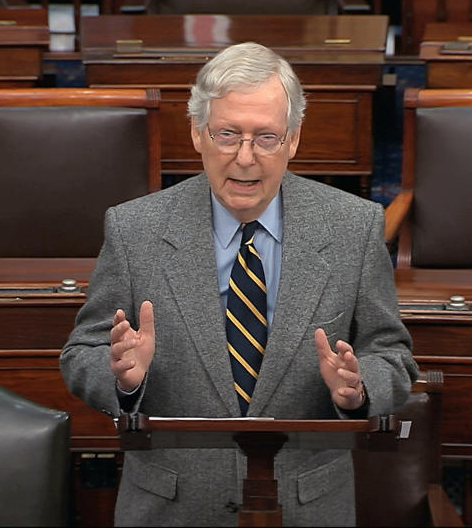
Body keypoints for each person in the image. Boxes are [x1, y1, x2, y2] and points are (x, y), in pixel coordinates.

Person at [60, 41, 417, 526]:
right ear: (197, 134)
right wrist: (122, 378)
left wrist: (357, 390)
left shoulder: (352, 226)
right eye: (227, 134)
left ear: (292, 139)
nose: (245, 158)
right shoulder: (135, 229)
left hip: (306, 507)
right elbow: (83, 350)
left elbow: (391, 353)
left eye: (266, 137)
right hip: (171, 508)